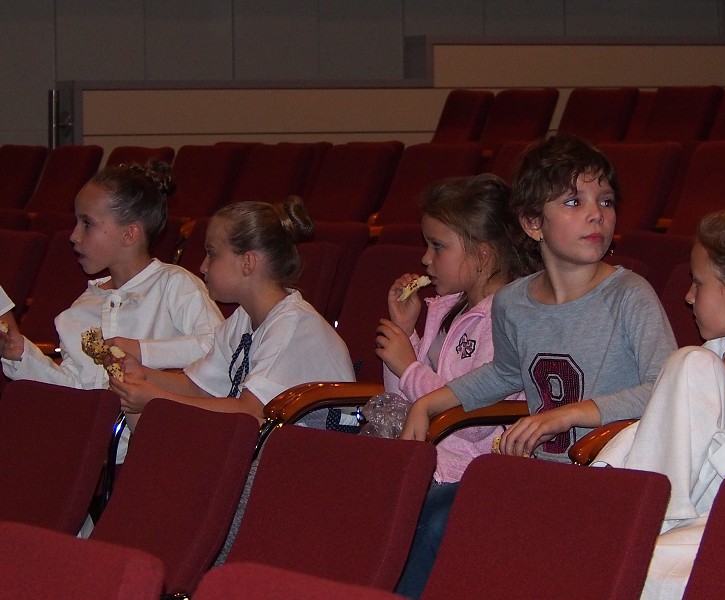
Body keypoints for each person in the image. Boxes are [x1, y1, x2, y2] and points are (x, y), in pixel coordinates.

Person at [396, 134, 677, 598]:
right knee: (421, 508)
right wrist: (430, 402)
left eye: (604, 201)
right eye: (573, 200)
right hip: (542, 475)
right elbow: (503, 373)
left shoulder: (630, 296)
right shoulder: (513, 302)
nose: (596, 214)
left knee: (447, 520)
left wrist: (571, 413)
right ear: (532, 223)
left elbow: (665, 389)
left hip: (608, 478)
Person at [594, 191, 725, 599]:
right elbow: (652, 433)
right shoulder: (714, 353)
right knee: (689, 362)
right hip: (689, 521)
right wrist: (602, 486)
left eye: (698, 282)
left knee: (632, 567)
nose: (688, 296)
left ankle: (641, 532)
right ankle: (639, 518)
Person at [0, 160, 223, 454]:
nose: (74, 235)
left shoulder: (174, 285)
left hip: (160, 450)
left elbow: (218, 349)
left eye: (87, 224)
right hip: (92, 453)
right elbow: (76, 390)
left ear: (129, 234)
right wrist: (23, 356)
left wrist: (140, 350)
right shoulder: (84, 306)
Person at [109, 197, 355, 424]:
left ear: (247, 262)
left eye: (211, 254)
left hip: (312, 461)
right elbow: (200, 387)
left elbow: (250, 413)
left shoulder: (294, 326)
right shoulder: (244, 318)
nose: (203, 266)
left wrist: (155, 398)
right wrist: (143, 374)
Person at [376, 173, 532, 484]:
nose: (425, 258)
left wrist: (408, 367)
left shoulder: (508, 319)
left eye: (437, 246)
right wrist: (406, 331)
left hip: (466, 473)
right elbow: (398, 402)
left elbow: (472, 422)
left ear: (482, 254)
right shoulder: (445, 307)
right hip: (424, 460)